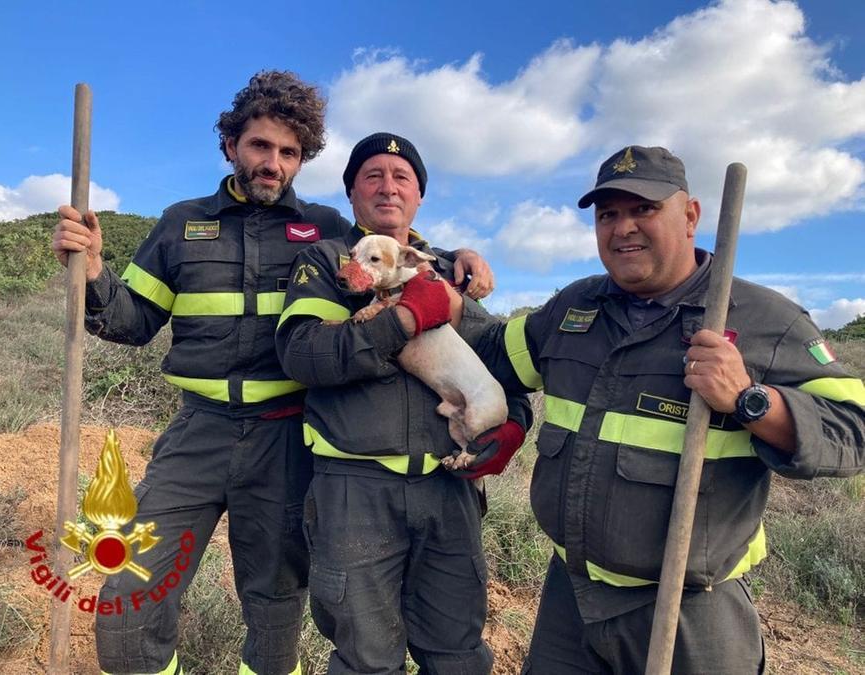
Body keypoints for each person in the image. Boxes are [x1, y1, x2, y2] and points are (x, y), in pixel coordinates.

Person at [51, 73, 492, 675]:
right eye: (260, 146)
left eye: (289, 153)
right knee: (130, 595)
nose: (273, 163)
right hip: (197, 434)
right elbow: (132, 321)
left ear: (302, 158)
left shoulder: (326, 229)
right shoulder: (181, 224)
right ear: (230, 144)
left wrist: (457, 256)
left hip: (286, 438)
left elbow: (392, 253)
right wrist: (96, 270)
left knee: (275, 605)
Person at [469, 146, 865, 673]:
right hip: (571, 598)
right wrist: (442, 273)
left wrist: (750, 400)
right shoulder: (574, 308)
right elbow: (494, 353)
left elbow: (854, 431)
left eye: (643, 209)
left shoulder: (769, 321)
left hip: (690, 613)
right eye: (608, 214)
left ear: (691, 217)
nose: (623, 227)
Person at [275, 132, 533, 674]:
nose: (388, 187)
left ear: (419, 197)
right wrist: (405, 318)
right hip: (355, 493)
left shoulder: (445, 273)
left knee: (458, 653)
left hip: (449, 492)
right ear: (351, 195)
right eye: (372, 176)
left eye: (402, 178)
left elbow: (496, 362)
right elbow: (305, 355)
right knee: (367, 659)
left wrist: (515, 423)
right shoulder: (327, 262)